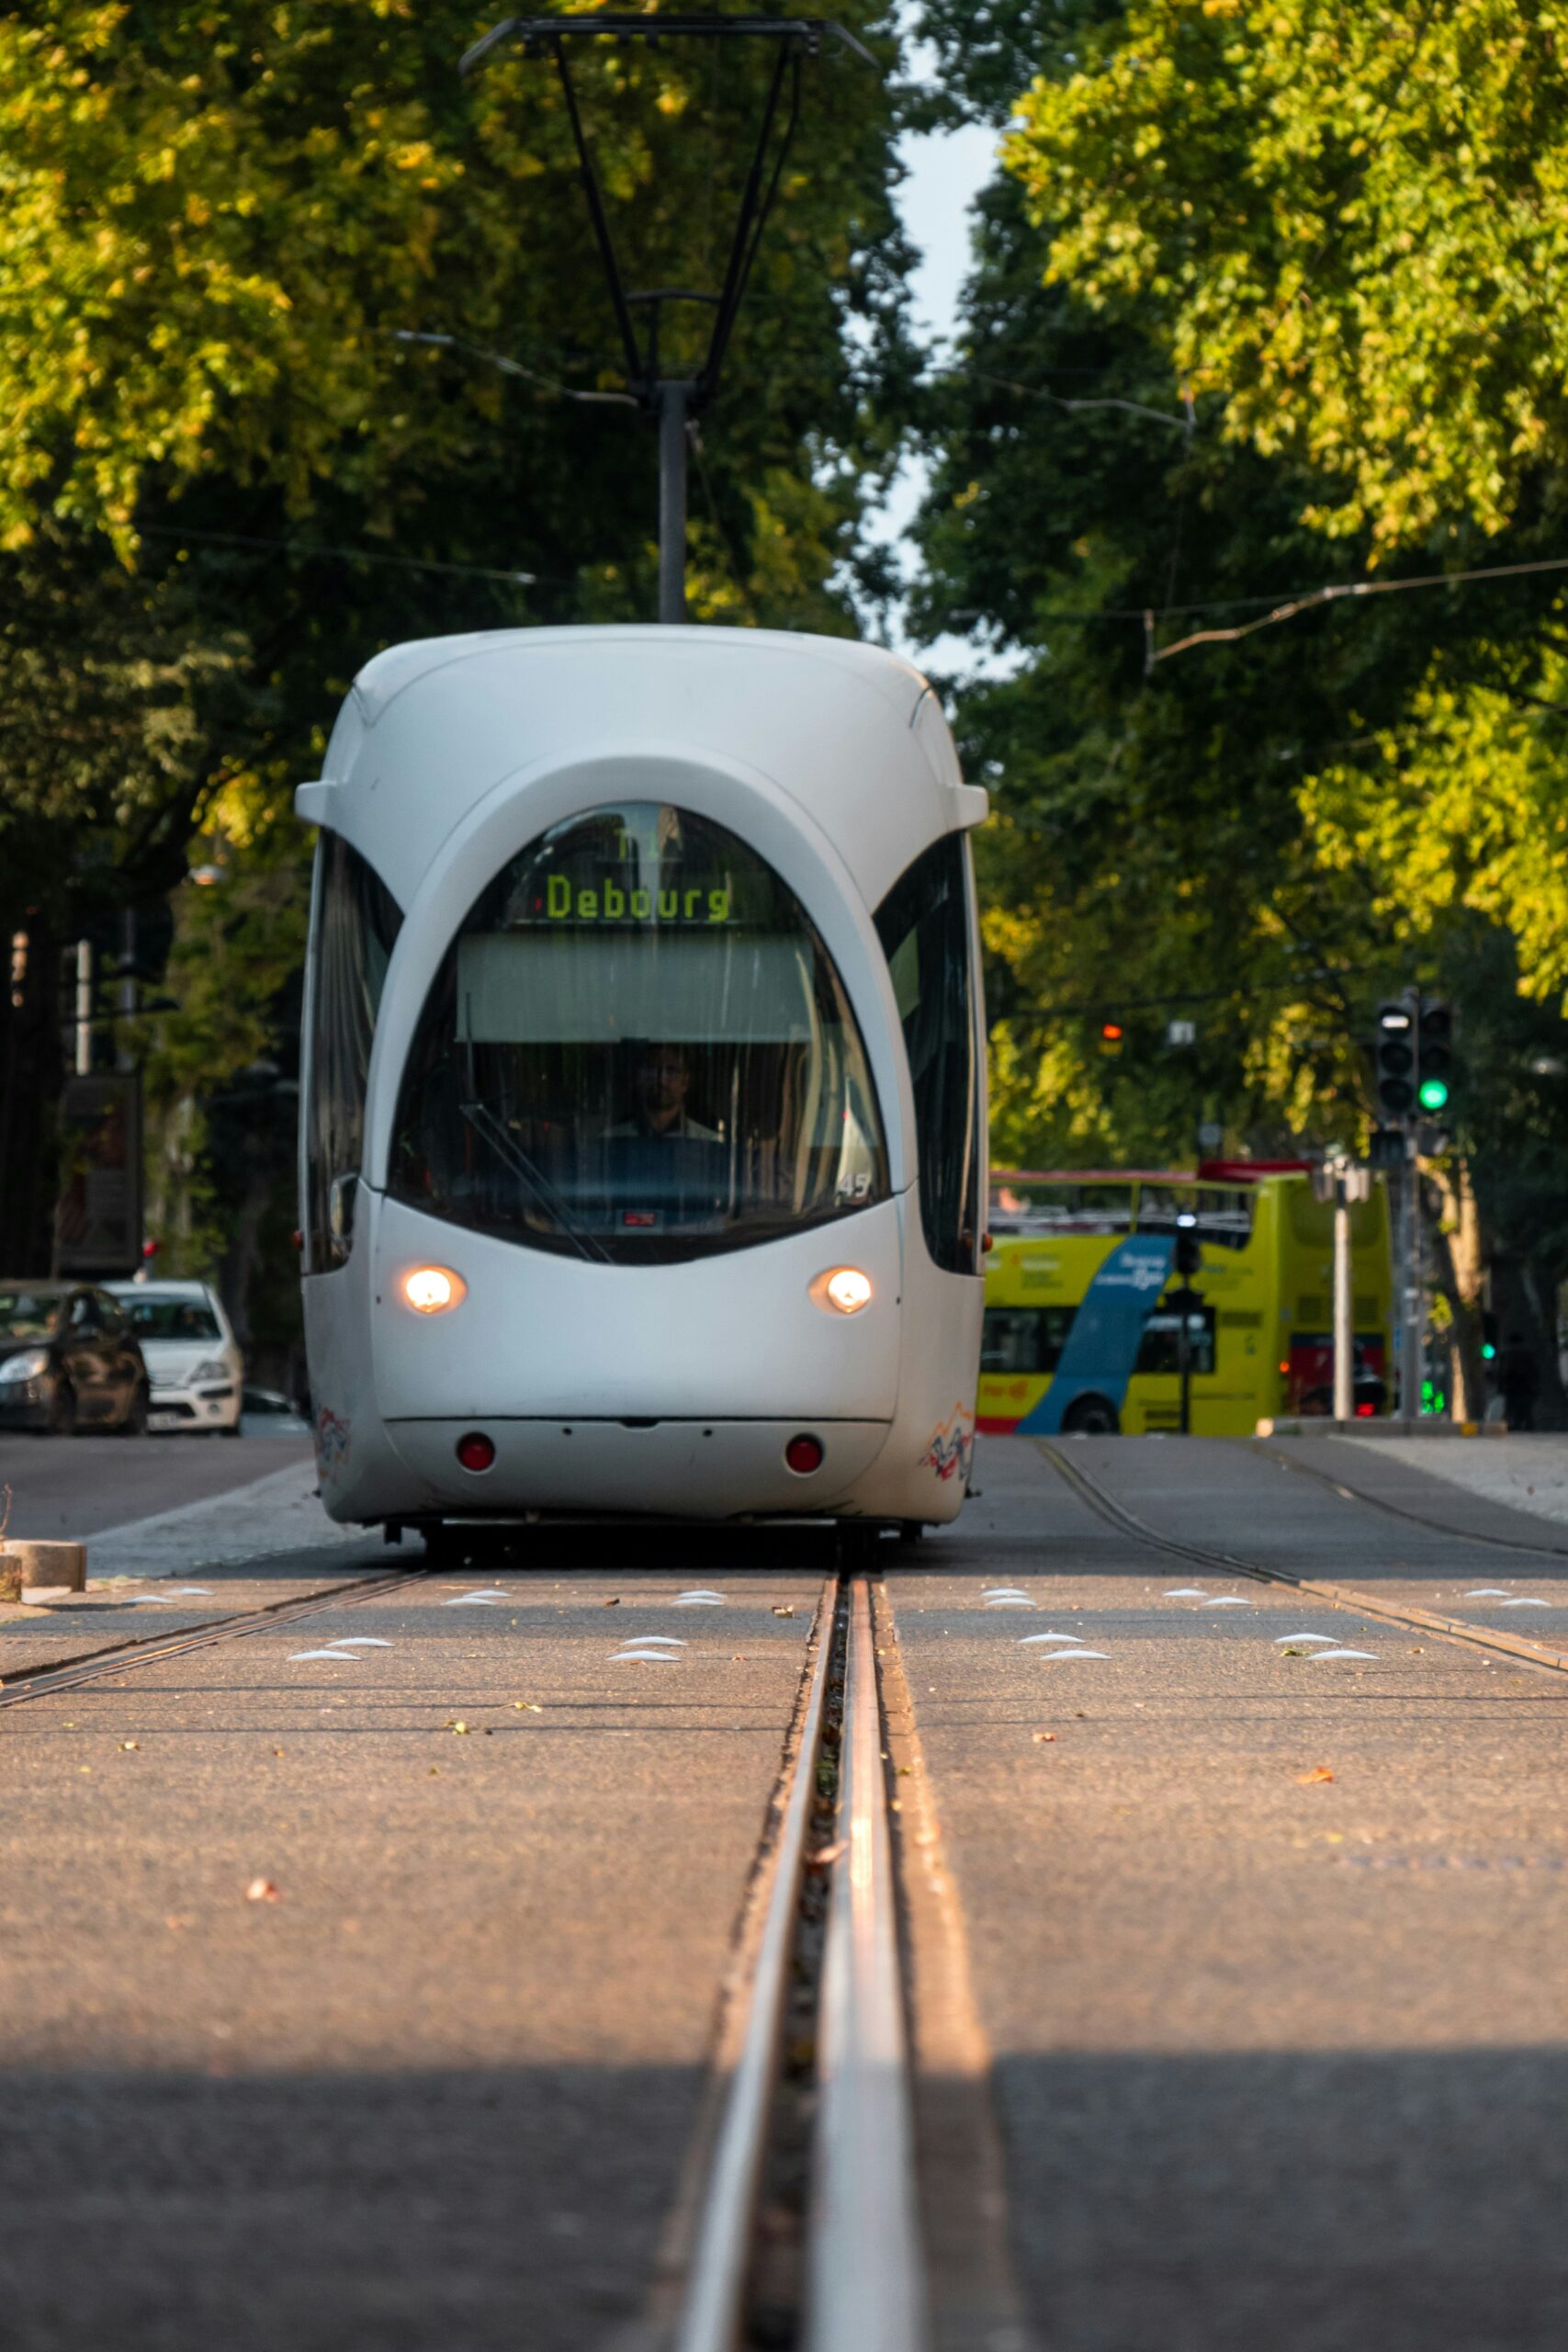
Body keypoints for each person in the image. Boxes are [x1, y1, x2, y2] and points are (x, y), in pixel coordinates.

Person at [607, 1044, 720, 1142]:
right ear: (639, 1079)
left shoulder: (708, 1142)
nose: (661, 1079)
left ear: (685, 1082)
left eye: (671, 1072)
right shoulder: (612, 1139)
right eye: (651, 1071)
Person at [1496, 1330, 1540, 1431]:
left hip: (1510, 1384)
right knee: (1526, 1406)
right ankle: (1528, 1425)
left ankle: (1509, 1424)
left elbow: (1502, 1372)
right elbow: (1534, 1370)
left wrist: (1500, 1386)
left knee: (1509, 1406)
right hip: (1525, 1384)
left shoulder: (1506, 1354)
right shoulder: (1527, 1354)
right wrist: (1535, 1384)